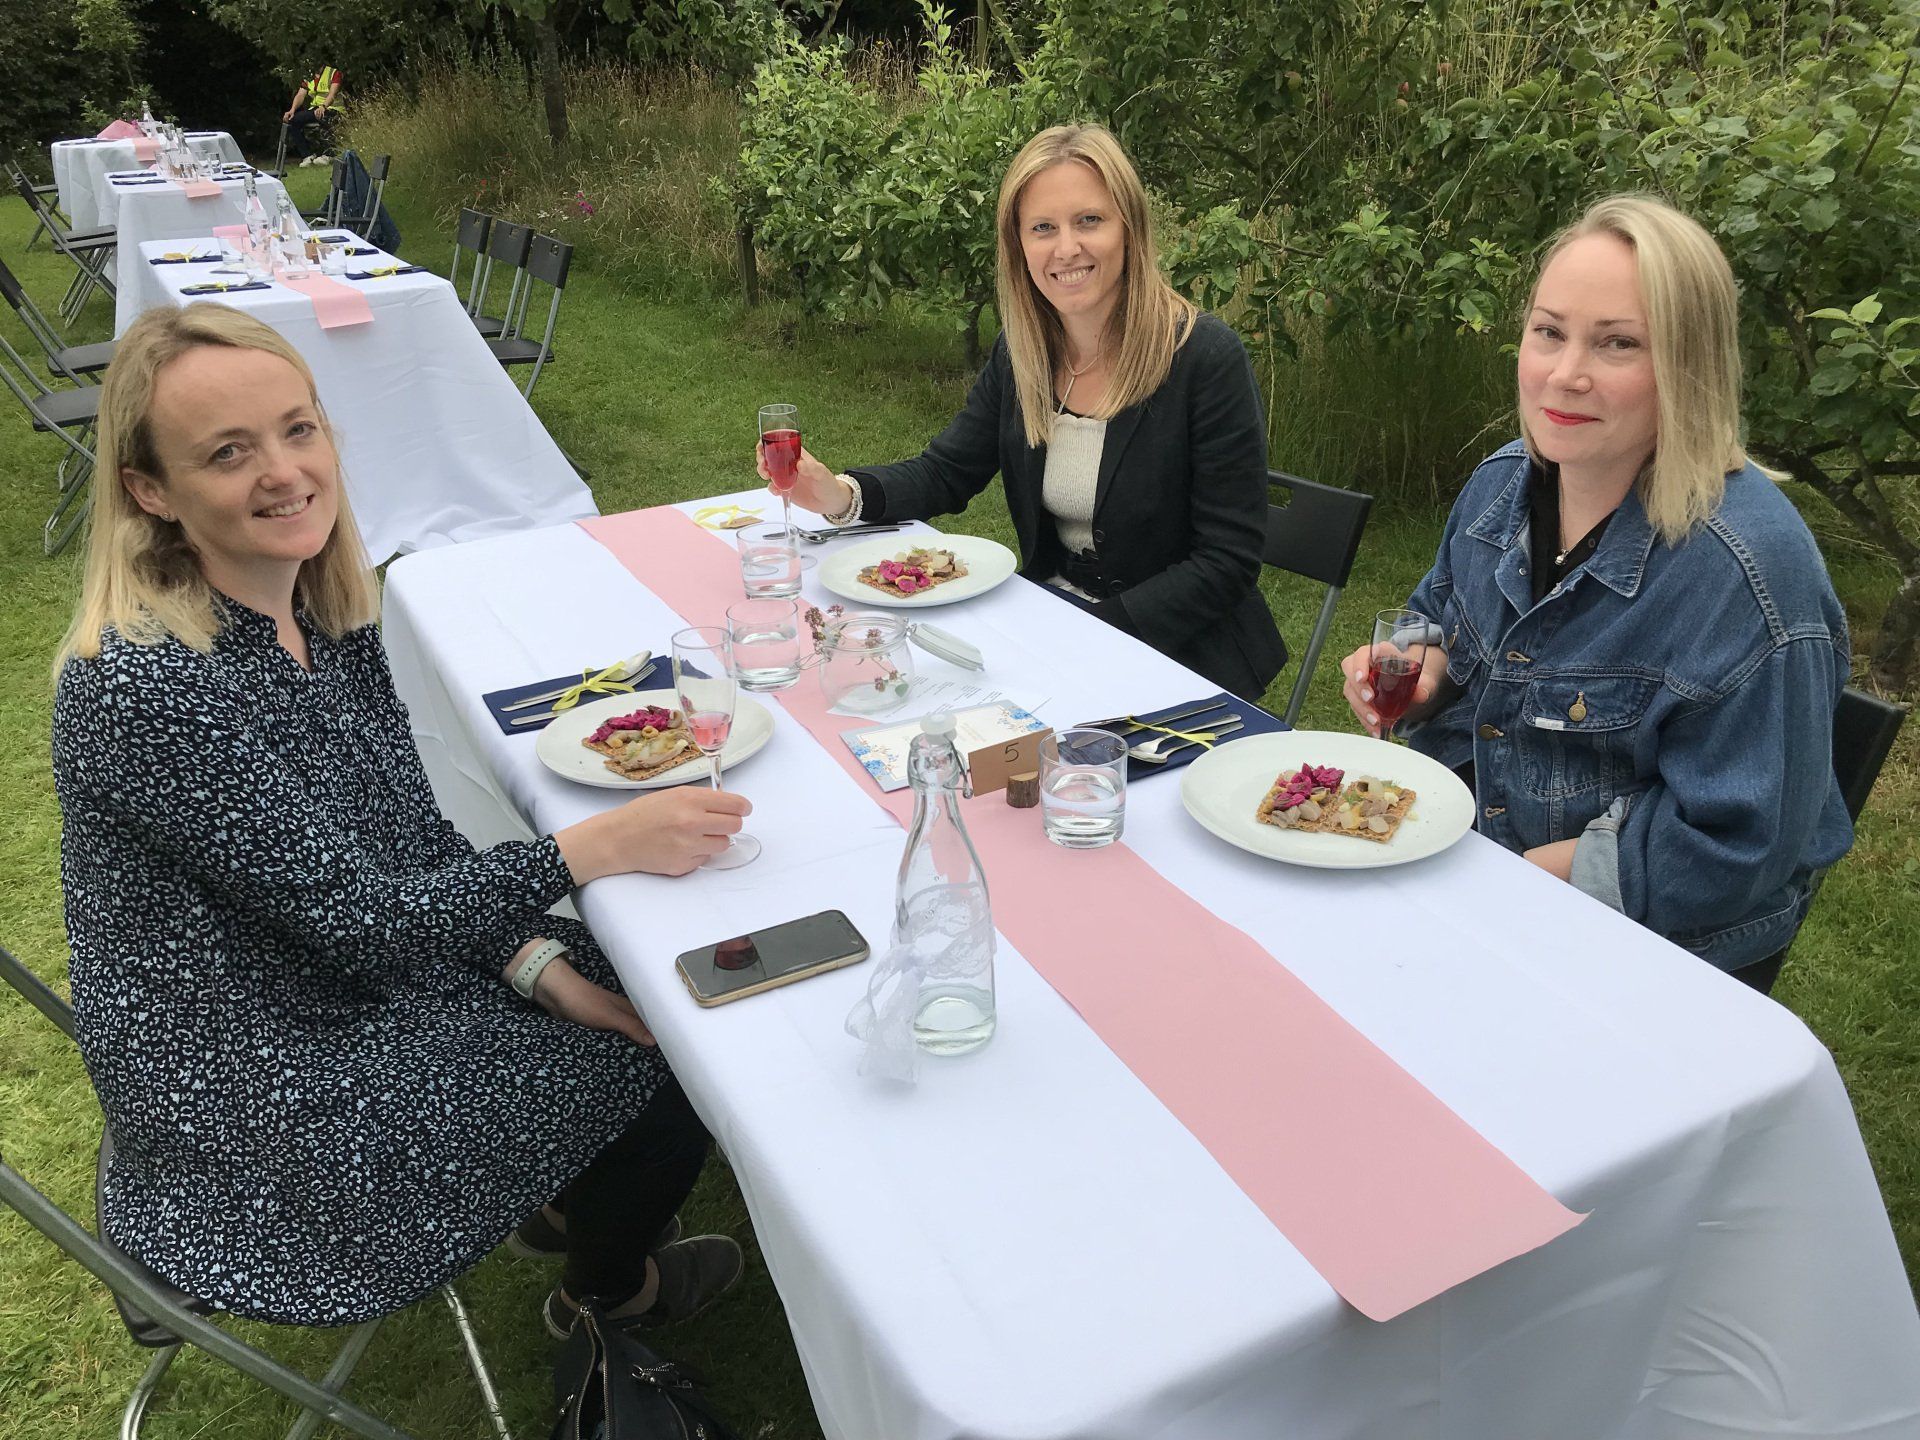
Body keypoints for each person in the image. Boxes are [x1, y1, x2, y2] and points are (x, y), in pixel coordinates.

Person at [51, 304, 752, 1338]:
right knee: (672, 1069)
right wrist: (590, 848)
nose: (286, 472)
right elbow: (354, 920)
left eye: (299, 428)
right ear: (151, 492)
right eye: (228, 453)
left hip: (350, 986)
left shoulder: (317, 612)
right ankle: (605, 1298)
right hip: (262, 1112)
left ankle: (562, 1196)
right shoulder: (145, 684)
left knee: (655, 974)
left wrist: (539, 971)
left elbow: (412, 846)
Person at [1340, 195, 1852, 974]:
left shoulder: (1747, 577)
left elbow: (1731, 848)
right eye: (1549, 332)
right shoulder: (1501, 484)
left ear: (1690, 366)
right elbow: (1436, 612)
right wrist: (1424, 672)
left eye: (1617, 344)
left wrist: (1493, 885)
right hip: (1460, 865)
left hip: (1639, 949)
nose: (1565, 374)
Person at [760, 122, 1287, 698]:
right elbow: (948, 470)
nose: (1066, 248)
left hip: (1180, 661)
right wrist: (838, 493)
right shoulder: (1024, 354)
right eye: (1043, 228)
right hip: (1054, 628)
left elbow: (1226, 561)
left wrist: (1078, 636)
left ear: (1130, 229)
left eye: (1089, 220)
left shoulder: (1203, 357)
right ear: (1019, 246)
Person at [282, 62, 343, 163]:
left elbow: (332, 94)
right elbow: (300, 95)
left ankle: (329, 153)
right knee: (293, 120)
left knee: (323, 116)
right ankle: (307, 155)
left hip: (333, 108)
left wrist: (323, 107)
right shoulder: (308, 76)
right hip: (315, 109)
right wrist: (292, 110)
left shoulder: (334, 73)